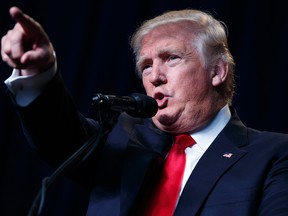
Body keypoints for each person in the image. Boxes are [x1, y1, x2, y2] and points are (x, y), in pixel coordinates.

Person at [2, 6, 288, 216]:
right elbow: (58, 134)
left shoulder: (274, 154)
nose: (154, 77)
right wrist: (38, 72)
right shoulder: (123, 142)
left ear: (217, 71)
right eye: (146, 66)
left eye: (171, 58)